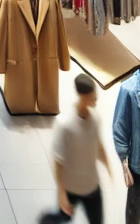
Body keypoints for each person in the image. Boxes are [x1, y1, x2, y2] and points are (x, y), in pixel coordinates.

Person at [46, 74, 110, 224]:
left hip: (92, 187)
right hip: (71, 188)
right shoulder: (65, 124)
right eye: (92, 96)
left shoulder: (95, 118)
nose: (95, 99)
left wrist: (108, 165)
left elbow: (98, 145)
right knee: (62, 218)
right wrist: (62, 193)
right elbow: (58, 161)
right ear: (83, 96)